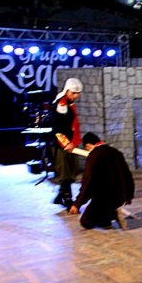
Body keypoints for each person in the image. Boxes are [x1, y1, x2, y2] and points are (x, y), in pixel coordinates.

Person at [69, 132, 135, 230]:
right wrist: (129, 195)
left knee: (86, 222)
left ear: (88, 145)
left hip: (103, 198)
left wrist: (77, 204)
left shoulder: (93, 157)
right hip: (120, 197)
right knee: (104, 222)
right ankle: (108, 216)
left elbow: (87, 183)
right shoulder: (115, 152)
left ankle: (114, 214)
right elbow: (127, 175)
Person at [50, 78, 83, 209]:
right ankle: (67, 199)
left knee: (72, 168)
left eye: (78, 93)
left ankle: (60, 195)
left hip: (70, 143)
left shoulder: (69, 103)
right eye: (73, 93)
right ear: (67, 91)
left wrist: (73, 142)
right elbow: (57, 129)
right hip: (62, 145)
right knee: (65, 172)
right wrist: (66, 144)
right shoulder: (62, 105)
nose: (76, 96)